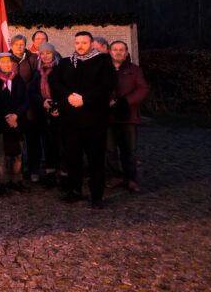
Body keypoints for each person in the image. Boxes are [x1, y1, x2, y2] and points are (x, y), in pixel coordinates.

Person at [50, 31, 116, 208]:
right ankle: (75, 191)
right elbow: (54, 82)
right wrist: (68, 95)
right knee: (73, 158)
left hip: (94, 119)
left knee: (96, 159)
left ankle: (97, 196)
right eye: (77, 42)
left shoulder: (103, 62)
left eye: (84, 43)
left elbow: (106, 86)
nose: (80, 46)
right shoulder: (66, 63)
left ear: (91, 44)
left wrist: (85, 99)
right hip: (71, 120)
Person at [106, 40, 149, 192]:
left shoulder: (134, 70)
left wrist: (125, 101)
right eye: (115, 49)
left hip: (128, 116)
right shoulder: (105, 69)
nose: (118, 52)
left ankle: (131, 178)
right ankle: (115, 175)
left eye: (121, 50)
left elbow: (142, 89)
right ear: (110, 51)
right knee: (110, 149)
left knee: (129, 150)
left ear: (126, 52)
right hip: (109, 116)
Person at [0, 52, 29, 195]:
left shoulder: (17, 79)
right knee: (1, 154)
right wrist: (8, 117)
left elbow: (25, 100)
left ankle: (16, 180)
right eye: (3, 62)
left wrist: (16, 116)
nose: (6, 64)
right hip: (2, 121)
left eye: (9, 62)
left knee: (17, 153)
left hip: (17, 122)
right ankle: (0, 182)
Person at [27, 42, 63, 188]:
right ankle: (50, 174)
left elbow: (65, 89)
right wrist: (43, 102)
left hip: (59, 113)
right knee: (46, 144)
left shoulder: (61, 70)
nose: (46, 56)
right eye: (43, 53)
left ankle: (64, 174)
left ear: (53, 54)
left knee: (60, 145)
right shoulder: (37, 73)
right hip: (42, 114)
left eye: (48, 53)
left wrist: (58, 105)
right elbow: (32, 93)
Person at [10, 34, 40, 181]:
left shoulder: (32, 59)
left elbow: (37, 79)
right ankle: (18, 171)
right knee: (17, 140)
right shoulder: (7, 60)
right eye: (16, 45)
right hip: (14, 106)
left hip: (31, 107)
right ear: (12, 46)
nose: (19, 47)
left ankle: (34, 169)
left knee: (33, 139)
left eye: (22, 44)